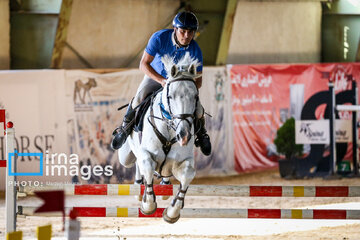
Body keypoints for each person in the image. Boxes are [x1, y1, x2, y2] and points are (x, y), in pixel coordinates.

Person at [111, 11, 211, 156]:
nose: (186, 36)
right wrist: (162, 80)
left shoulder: (195, 50)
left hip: (179, 85)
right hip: (156, 77)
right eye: (183, 31)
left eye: (190, 32)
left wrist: (186, 90)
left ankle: (202, 135)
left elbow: (199, 81)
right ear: (175, 29)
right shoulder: (159, 37)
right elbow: (143, 65)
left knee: (199, 109)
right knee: (139, 97)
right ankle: (124, 129)